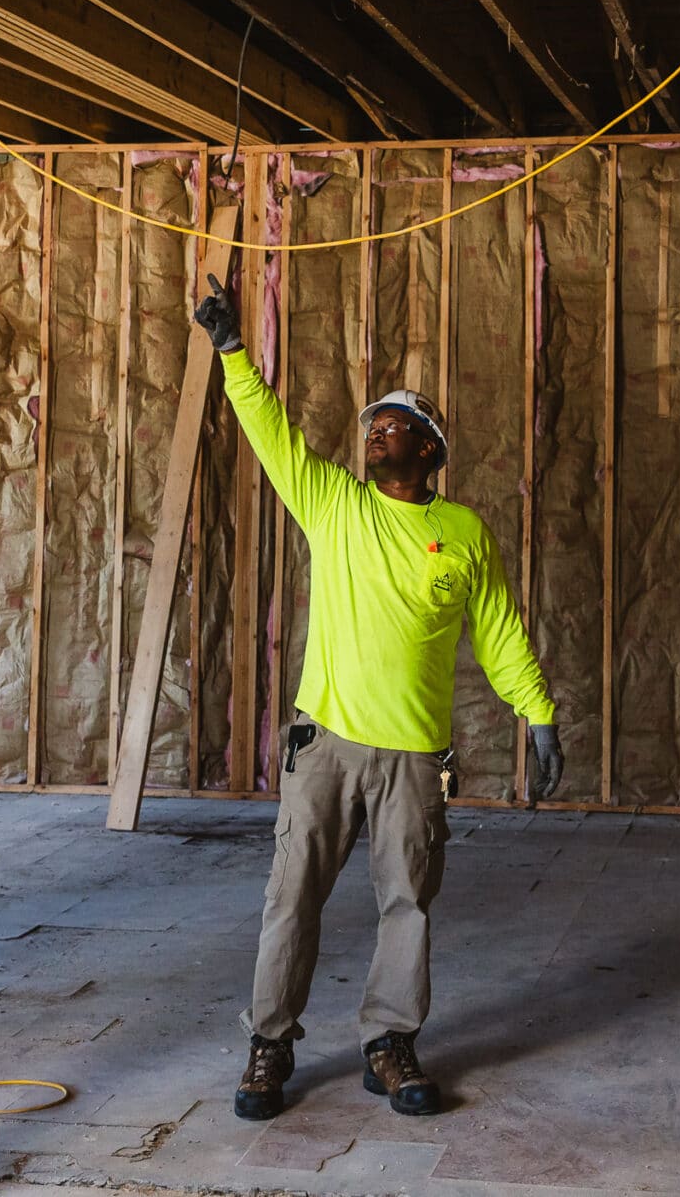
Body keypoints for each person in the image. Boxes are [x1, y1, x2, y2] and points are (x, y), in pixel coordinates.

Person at [189, 274, 562, 1123]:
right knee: (293, 897)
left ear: (430, 448)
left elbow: (499, 630)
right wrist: (233, 350)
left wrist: (536, 711)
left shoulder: (462, 531)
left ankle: (390, 1042)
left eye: (396, 422)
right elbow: (273, 436)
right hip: (324, 746)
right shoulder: (336, 505)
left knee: (408, 906)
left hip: (412, 758)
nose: (376, 429)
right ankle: (270, 1042)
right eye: (372, 423)